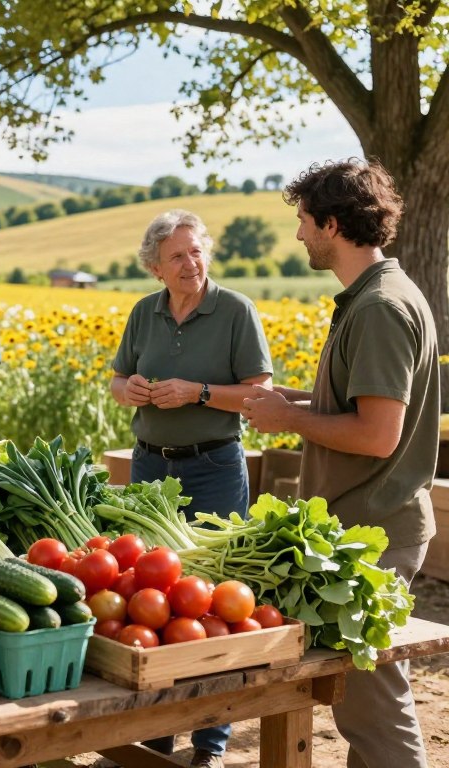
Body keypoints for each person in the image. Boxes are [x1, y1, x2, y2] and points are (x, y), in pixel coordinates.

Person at [242, 160, 437, 768]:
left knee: (374, 707)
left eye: (304, 221)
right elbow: (355, 404)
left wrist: (289, 419)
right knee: (360, 699)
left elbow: (378, 435)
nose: (298, 234)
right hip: (363, 526)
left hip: (375, 532)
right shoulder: (372, 297)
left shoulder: (379, 308)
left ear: (332, 223)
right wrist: (290, 402)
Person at [110, 209, 273, 768]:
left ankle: (210, 744)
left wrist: (196, 392)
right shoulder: (144, 313)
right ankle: (155, 734)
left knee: (212, 604)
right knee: (150, 603)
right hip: (151, 470)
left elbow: (259, 394)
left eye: (197, 251)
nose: (190, 263)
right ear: (155, 266)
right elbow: (115, 378)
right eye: (177, 255)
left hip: (214, 469)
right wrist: (127, 388)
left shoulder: (235, 311)